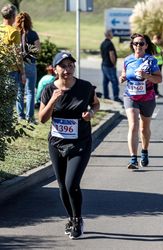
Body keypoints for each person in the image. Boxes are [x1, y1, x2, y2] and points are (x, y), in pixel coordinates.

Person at [39, 52, 100, 239]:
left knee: (71, 183)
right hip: (57, 144)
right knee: (62, 187)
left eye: (70, 65)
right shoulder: (49, 89)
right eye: (63, 66)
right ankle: (71, 218)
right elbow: (42, 119)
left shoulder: (85, 87)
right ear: (55, 69)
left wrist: (91, 113)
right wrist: (53, 100)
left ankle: (77, 219)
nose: (67, 69)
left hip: (80, 142)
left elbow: (96, 104)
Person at [119, 33, 162, 169]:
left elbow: (159, 79)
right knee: (133, 125)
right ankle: (133, 159)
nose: (138, 46)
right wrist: (122, 78)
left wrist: (147, 76)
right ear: (132, 45)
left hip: (147, 97)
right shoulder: (127, 60)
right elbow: (124, 74)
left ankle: (144, 151)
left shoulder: (151, 60)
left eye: (141, 43)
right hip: (130, 96)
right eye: (136, 43)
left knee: (144, 128)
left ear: (146, 46)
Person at [15, 11, 40, 124]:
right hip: (30, 64)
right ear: (29, 21)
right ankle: (30, 118)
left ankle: (21, 116)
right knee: (30, 92)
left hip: (18, 65)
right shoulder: (33, 34)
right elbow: (38, 51)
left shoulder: (15, 33)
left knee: (19, 91)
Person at [0, 4, 26, 109]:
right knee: (8, 103)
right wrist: (23, 73)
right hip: (11, 71)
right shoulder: (14, 32)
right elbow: (17, 54)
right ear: (13, 16)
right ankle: (7, 125)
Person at [100, 29, 122, 102]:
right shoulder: (109, 44)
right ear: (109, 35)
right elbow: (111, 54)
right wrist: (114, 64)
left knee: (105, 82)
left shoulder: (103, 43)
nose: (113, 34)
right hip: (109, 65)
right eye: (112, 33)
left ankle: (106, 96)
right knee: (114, 81)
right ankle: (116, 97)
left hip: (104, 64)